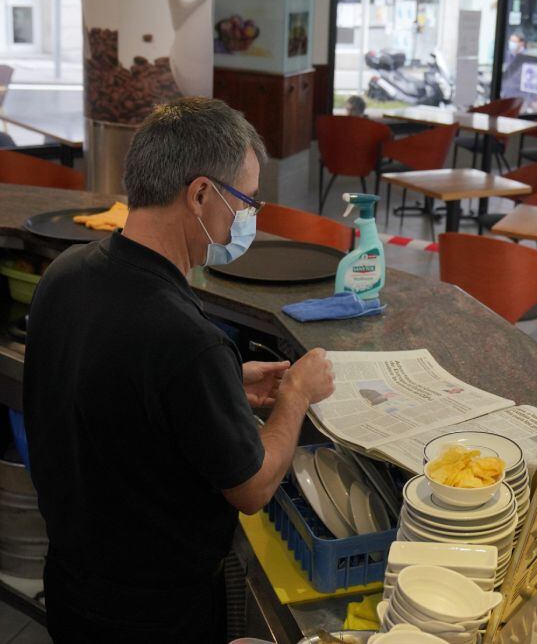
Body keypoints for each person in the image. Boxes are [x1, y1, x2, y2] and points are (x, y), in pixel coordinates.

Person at [23, 97, 336, 642]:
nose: (249, 220)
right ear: (199, 194)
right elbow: (254, 487)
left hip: (73, 585)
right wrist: (296, 397)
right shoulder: (186, 338)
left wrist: (223, 384)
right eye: (246, 201)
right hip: (155, 613)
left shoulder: (68, 273)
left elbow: (112, 390)